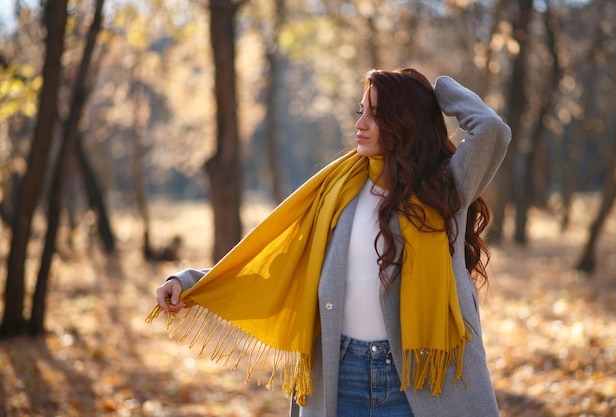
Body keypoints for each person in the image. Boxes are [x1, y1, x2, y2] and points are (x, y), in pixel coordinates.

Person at [149, 68, 511, 417]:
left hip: (418, 379)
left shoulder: (446, 187)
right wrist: (191, 281)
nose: (360, 124)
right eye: (361, 111)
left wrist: (438, 89)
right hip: (342, 376)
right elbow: (278, 260)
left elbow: (491, 129)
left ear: (405, 120)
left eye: (376, 114)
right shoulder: (338, 191)